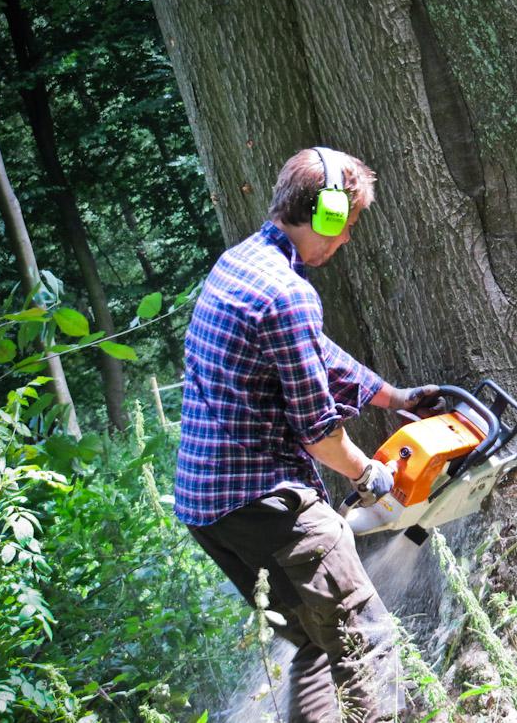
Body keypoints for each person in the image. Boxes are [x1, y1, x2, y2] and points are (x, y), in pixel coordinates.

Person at [175, 146, 435, 721]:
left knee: (318, 646)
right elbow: (320, 434)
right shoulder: (288, 294)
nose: (345, 241)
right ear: (325, 215)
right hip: (267, 502)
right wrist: (370, 473)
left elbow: (310, 351)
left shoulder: (240, 263)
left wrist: (388, 396)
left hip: (207, 508)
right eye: (346, 226)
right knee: (368, 640)